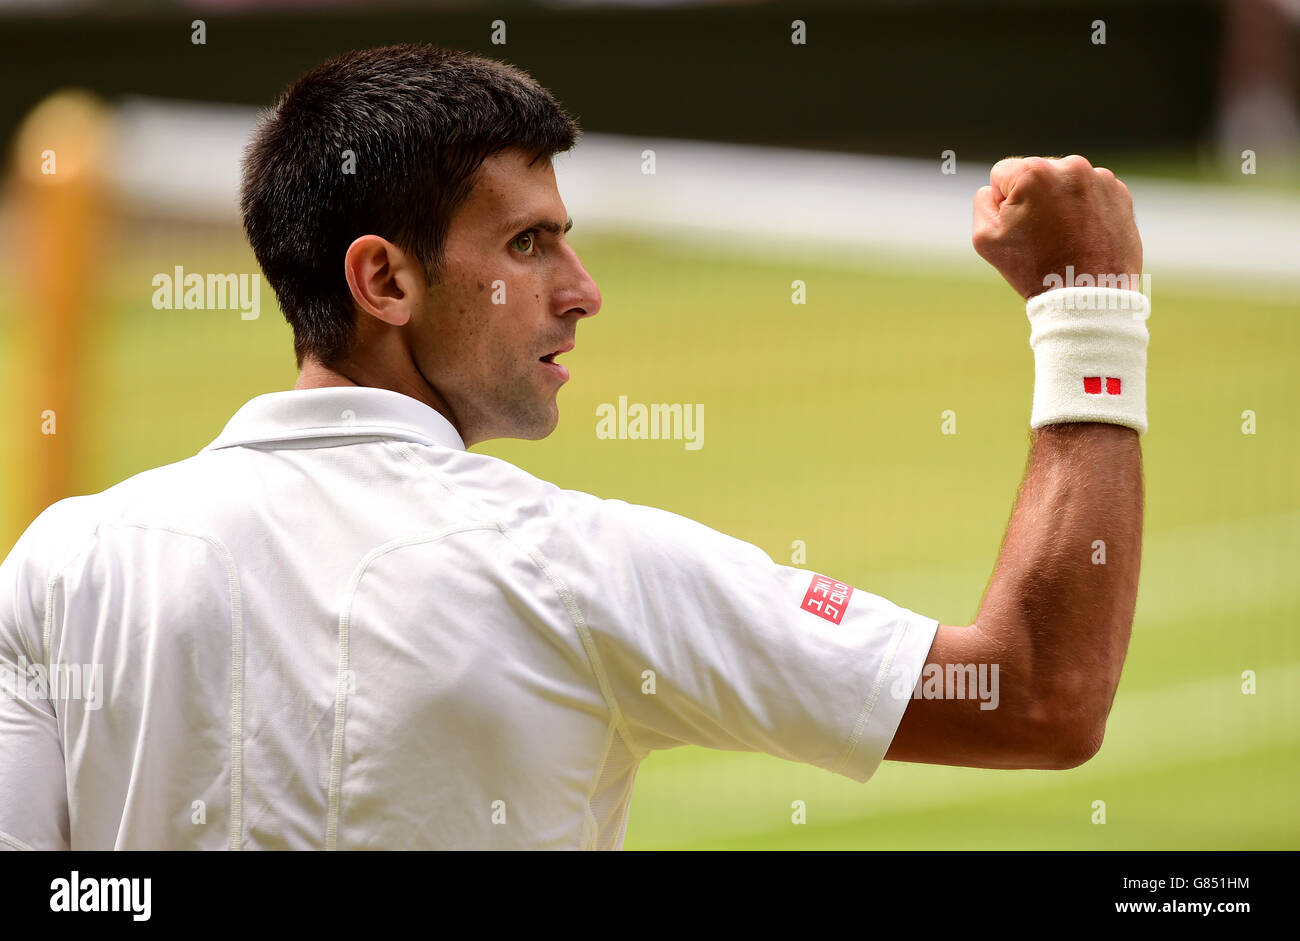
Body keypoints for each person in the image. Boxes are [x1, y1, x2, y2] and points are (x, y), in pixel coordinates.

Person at [0, 44, 1147, 850]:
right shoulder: (581, 568)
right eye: (530, 242)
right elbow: (1037, 695)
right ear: (383, 280)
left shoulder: (62, 563)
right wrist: (1089, 310)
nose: (583, 291)